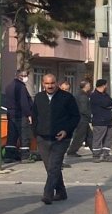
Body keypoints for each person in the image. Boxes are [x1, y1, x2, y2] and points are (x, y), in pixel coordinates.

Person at [31, 74, 78, 204]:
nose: (50, 86)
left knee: (54, 166)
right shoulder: (39, 97)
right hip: (43, 138)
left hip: (61, 139)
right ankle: (61, 192)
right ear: (43, 84)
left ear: (56, 83)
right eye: (47, 83)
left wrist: (66, 130)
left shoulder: (67, 98)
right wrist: (35, 132)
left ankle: (48, 194)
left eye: (52, 83)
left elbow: (75, 117)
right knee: (50, 167)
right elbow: (34, 116)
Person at [4, 70, 33, 163]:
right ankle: (25, 156)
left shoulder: (8, 86)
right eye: (23, 75)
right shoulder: (21, 87)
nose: (25, 77)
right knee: (24, 135)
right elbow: (24, 102)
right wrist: (29, 114)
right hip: (21, 114)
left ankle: (9, 156)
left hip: (11, 114)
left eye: (26, 75)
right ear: (17, 75)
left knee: (11, 136)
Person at [89, 79, 112, 161]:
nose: (107, 86)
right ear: (103, 85)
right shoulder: (94, 95)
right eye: (106, 85)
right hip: (99, 121)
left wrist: (110, 105)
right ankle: (96, 156)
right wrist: (109, 104)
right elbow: (106, 104)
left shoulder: (105, 95)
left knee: (108, 138)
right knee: (98, 138)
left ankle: (106, 155)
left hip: (108, 120)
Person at [69, 80, 92, 157]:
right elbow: (83, 109)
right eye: (89, 84)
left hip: (81, 118)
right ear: (85, 86)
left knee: (89, 136)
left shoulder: (81, 94)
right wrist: (90, 116)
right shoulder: (82, 96)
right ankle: (71, 151)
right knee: (79, 136)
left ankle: (96, 151)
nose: (90, 86)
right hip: (82, 119)